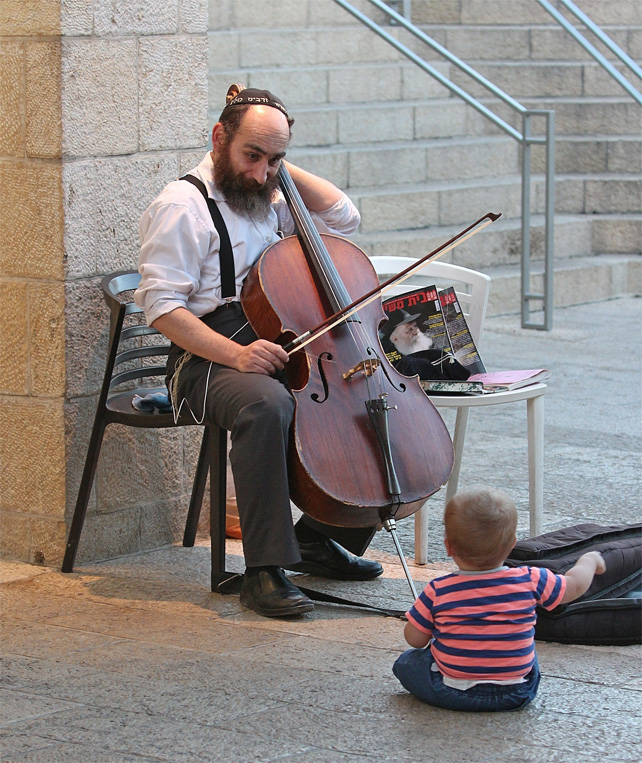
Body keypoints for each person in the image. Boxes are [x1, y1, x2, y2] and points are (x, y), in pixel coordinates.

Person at [135, 86, 383, 618]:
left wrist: (283, 166)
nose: (261, 173)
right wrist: (235, 355)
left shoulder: (270, 198)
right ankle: (263, 569)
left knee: (364, 390)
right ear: (219, 137)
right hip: (202, 356)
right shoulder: (181, 206)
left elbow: (343, 218)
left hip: (270, 336)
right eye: (253, 155)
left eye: (275, 160)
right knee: (265, 402)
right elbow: (162, 307)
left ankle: (321, 536)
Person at [393, 486, 606, 711]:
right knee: (527, 651)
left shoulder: (439, 590)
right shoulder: (530, 579)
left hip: (452, 692)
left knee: (407, 662)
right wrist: (589, 561)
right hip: (517, 692)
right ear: (513, 543)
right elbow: (574, 586)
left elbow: (415, 639)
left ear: (448, 547)